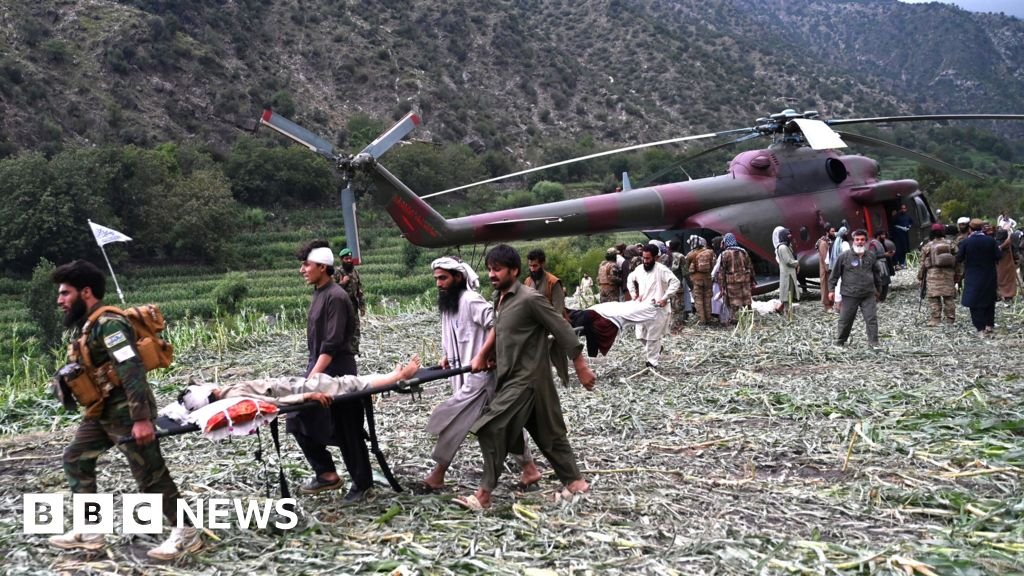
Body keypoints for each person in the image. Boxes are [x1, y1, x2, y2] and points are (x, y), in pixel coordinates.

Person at [48, 260, 200, 560]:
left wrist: (141, 419)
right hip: (101, 413)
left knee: (151, 475)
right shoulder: (89, 325)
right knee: (76, 458)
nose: (60, 300)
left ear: (86, 292)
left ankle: (187, 532)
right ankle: (90, 530)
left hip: (127, 414)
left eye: (65, 293)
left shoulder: (110, 324)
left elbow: (131, 369)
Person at [457, 245, 596, 510]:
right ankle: (576, 483)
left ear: (514, 270)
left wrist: (580, 366)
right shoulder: (500, 298)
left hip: (526, 379)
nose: (492, 274)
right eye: (489, 269)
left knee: (491, 427)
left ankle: (483, 495)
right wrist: (486, 354)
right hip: (513, 377)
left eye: (497, 269)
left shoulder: (530, 298)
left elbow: (561, 327)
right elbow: (501, 330)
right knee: (550, 434)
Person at [422, 257, 540, 491]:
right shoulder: (449, 304)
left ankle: (438, 474)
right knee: (504, 424)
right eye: (436, 278)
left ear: (458, 277)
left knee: (455, 421)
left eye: (443, 278)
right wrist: (447, 355)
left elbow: (498, 324)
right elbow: (453, 335)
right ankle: (529, 468)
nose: (438, 283)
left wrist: (487, 355)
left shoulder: (470, 300)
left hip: (481, 378)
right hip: (462, 374)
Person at [293, 241, 372, 501]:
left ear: (322, 267)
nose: (302, 270)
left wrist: (313, 378)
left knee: (348, 428)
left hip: (338, 372)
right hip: (319, 369)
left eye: (306, 265)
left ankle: (362, 485)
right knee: (296, 418)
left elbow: (333, 343)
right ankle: (326, 473)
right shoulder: (320, 293)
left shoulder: (336, 297)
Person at [182, 356, 422, 409]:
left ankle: (392, 376)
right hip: (292, 390)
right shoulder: (233, 397)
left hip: (288, 383)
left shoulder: (224, 392)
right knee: (348, 384)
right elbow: (272, 403)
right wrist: (306, 396)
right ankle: (396, 378)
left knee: (345, 382)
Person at [627, 244, 681, 368]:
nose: (645, 261)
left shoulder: (662, 270)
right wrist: (633, 294)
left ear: (656, 258)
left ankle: (652, 362)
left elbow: (675, 282)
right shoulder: (639, 269)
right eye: (644, 258)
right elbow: (630, 279)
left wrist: (665, 298)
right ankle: (657, 349)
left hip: (657, 309)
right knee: (640, 335)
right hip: (642, 307)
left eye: (648, 258)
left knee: (652, 337)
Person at [828, 229, 881, 347]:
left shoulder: (871, 256)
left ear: (866, 241)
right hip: (849, 294)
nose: (859, 242)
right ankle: (840, 341)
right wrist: (831, 290)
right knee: (845, 319)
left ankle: (874, 342)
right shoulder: (844, 256)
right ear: (853, 241)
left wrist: (878, 290)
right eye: (857, 239)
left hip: (868, 293)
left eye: (862, 240)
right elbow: (834, 274)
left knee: (871, 319)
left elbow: (876, 273)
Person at [524, 249, 569, 387]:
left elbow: (558, 309)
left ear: (542, 264)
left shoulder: (553, 282)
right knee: (537, 361)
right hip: (535, 329)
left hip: (553, 327)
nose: (532, 269)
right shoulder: (528, 282)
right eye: (530, 266)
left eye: (535, 266)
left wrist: (554, 330)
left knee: (559, 358)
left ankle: (565, 382)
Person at [957, 219, 1001, 334]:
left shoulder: (966, 242)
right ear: (982, 228)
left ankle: (980, 327)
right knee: (989, 299)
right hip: (989, 274)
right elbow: (998, 256)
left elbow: (959, 258)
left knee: (974, 301)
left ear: (970, 229)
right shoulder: (990, 241)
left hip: (973, 274)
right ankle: (989, 325)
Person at [918, 223, 958, 326]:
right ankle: (950, 318)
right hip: (948, 274)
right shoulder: (951, 244)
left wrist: (920, 276)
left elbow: (922, 263)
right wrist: (958, 274)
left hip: (933, 275)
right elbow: (958, 260)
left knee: (934, 298)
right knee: (948, 297)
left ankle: (935, 319)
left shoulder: (927, 246)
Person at [712, 233, 755, 325]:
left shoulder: (725, 254)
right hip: (745, 280)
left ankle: (735, 320)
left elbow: (722, 271)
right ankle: (749, 318)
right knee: (746, 300)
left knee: (734, 301)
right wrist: (752, 279)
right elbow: (750, 266)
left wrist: (722, 285)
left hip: (732, 282)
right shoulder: (743, 252)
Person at [333, 248, 365, 355]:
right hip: (341, 307)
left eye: (350, 258)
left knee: (355, 328)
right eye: (346, 259)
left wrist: (362, 306)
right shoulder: (337, 272)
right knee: (343, 328)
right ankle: (343, 352)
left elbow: (359, 289)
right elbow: (331, 291)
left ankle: (354, 351)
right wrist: (342, 283)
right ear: (341, 259)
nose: (349, 261)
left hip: (353, 305)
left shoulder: (355, 272)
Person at [685, 235, 715, 325]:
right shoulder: (710, 252)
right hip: (708, 278)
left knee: (698, 300)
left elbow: (686, 267)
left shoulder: (690, 254)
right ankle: (709, 318)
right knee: (707, 299)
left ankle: (702, 320)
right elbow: (714, 264)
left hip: (696, 280)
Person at [773, 226, 799, 314]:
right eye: (787, 234)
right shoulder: (783, 248)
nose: (790, 236)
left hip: (790, 273)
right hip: (787, 274)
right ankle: (787, 312)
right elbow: (788, 261)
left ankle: (786, 310)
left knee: (789, 292)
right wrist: (797, 263)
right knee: (787, 293)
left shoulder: (786, 246)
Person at [995, 228, 1018, 303]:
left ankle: (1000, 295)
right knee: (1008, 281)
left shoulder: (996, 244)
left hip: (1000, 265)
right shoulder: (1009, 244)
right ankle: (1008, 296)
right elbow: (1015, 254)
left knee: (1000, 280)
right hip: (1008, 264)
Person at [815, 226, 835, 312]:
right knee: (825, 287)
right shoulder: (823, 243)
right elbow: (825, 257)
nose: (834, 233)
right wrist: (828, 269)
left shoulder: (828, 241)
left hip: (829, 268)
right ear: (827, 232)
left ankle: (831, 304)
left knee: (830, 287)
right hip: (826, 269)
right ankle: (827, 305)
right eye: (832, 231)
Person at [891, 203, 913, 269]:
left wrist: (909, 226)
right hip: (898, 235)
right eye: (902, 208)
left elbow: (911, 222)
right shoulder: (897, 216)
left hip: (905, 234)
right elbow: (893, 223)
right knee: (898, 249)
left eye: (904, 208)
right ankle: (897, 263)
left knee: (904, 249)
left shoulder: (907, 216)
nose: (903, 210)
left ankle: (903, 263)